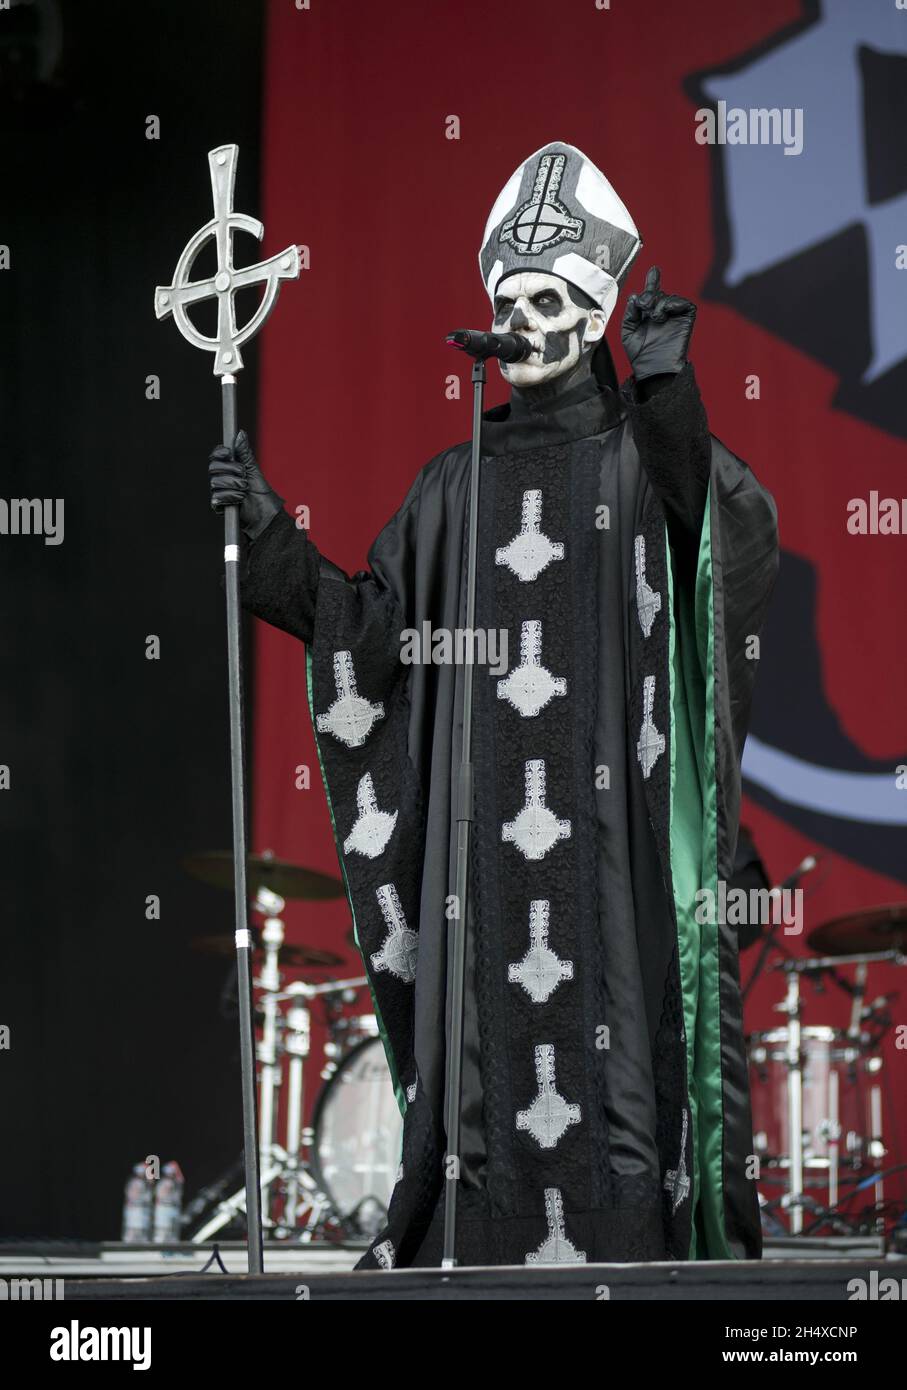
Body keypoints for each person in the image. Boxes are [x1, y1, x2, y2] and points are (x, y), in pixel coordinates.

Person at [209, 142, 778, 1268]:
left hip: (614, 876)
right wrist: (276, 548)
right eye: (508, 301)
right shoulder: (452, 484)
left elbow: (718, 548)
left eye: (551, 300)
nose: (523, 320)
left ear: (596, 312)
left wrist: (665, 394)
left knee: (622, 1101)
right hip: (485, 887)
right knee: (480, 1096)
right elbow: (370, 638)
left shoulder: (635, 462)